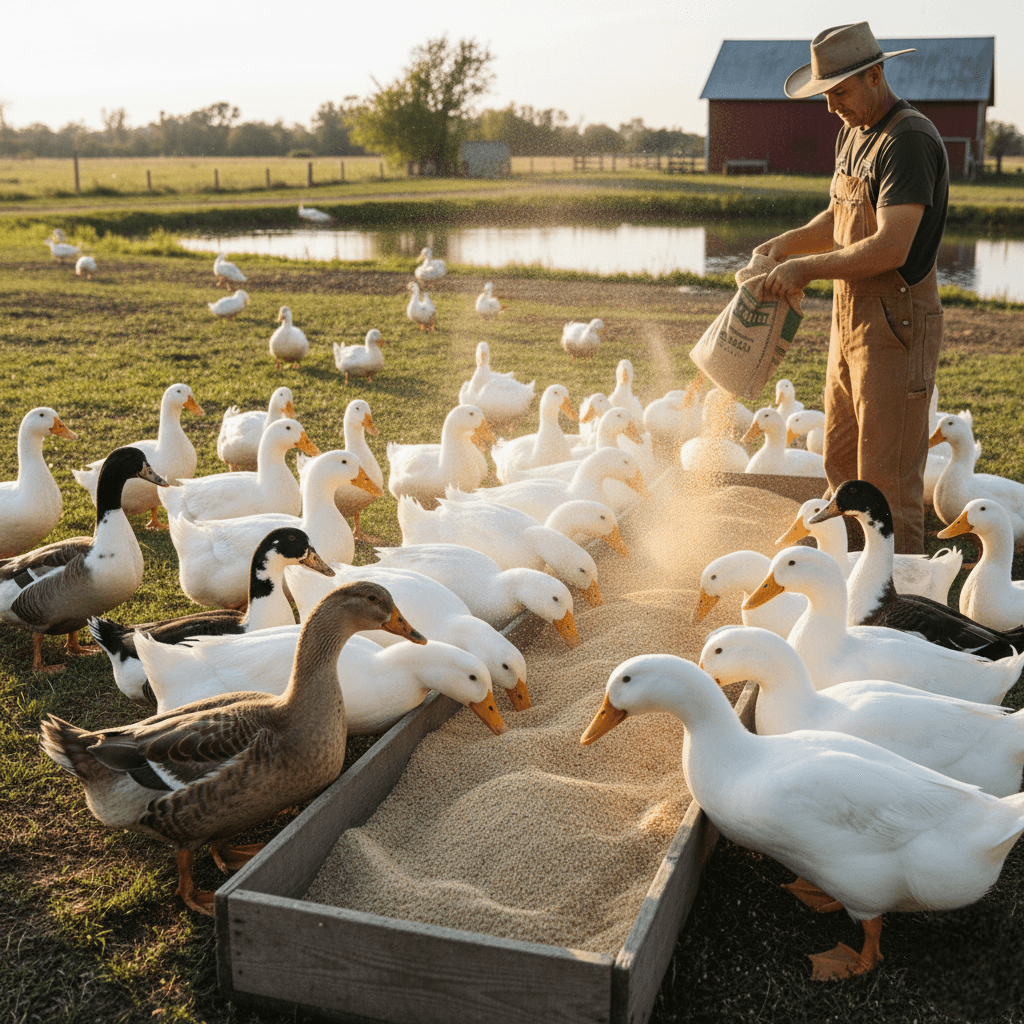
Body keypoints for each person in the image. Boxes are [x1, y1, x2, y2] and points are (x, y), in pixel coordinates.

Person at [756, 22, 949, 554]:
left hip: (896, 319)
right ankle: (845, 587)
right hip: (850, 318)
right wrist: (786, 245)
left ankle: (902, 607)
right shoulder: (854, 130)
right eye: (825, 94)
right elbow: (838, 217)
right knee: (841, 463)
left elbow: (892, 247)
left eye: (838, 92)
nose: (830, 106)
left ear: (875, 75)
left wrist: (805, 270)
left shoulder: (906, 139)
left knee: (886, 481)